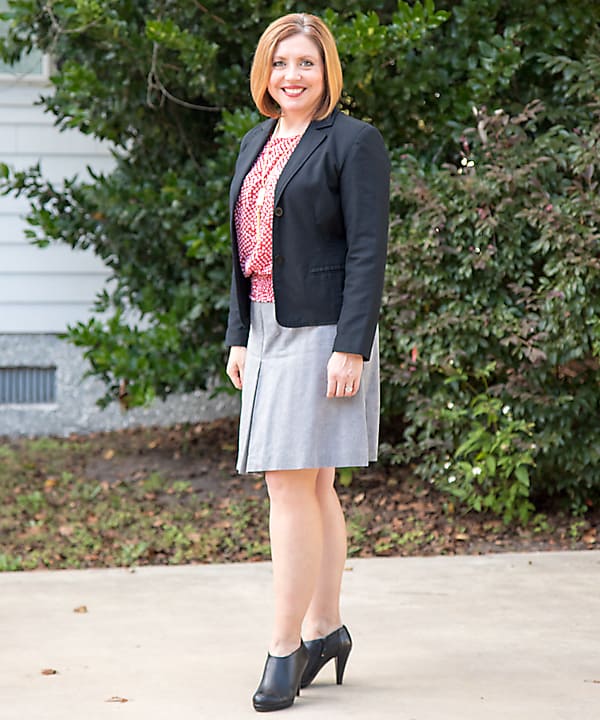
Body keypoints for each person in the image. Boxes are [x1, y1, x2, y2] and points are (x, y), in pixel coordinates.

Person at [225, 12, 390, 713]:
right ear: (266, 72)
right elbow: (242, 248)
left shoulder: (353, 142)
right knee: (313, 485)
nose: (293, 75)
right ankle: (326, 629)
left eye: (307, 64)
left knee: (289, 486)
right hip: (265, 329)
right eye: (282, 63)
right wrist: (238, 333)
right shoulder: (255, 141)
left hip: (323, 331)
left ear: (327, 75)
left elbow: (367, 249)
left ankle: (285, 647)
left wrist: (350, 344)